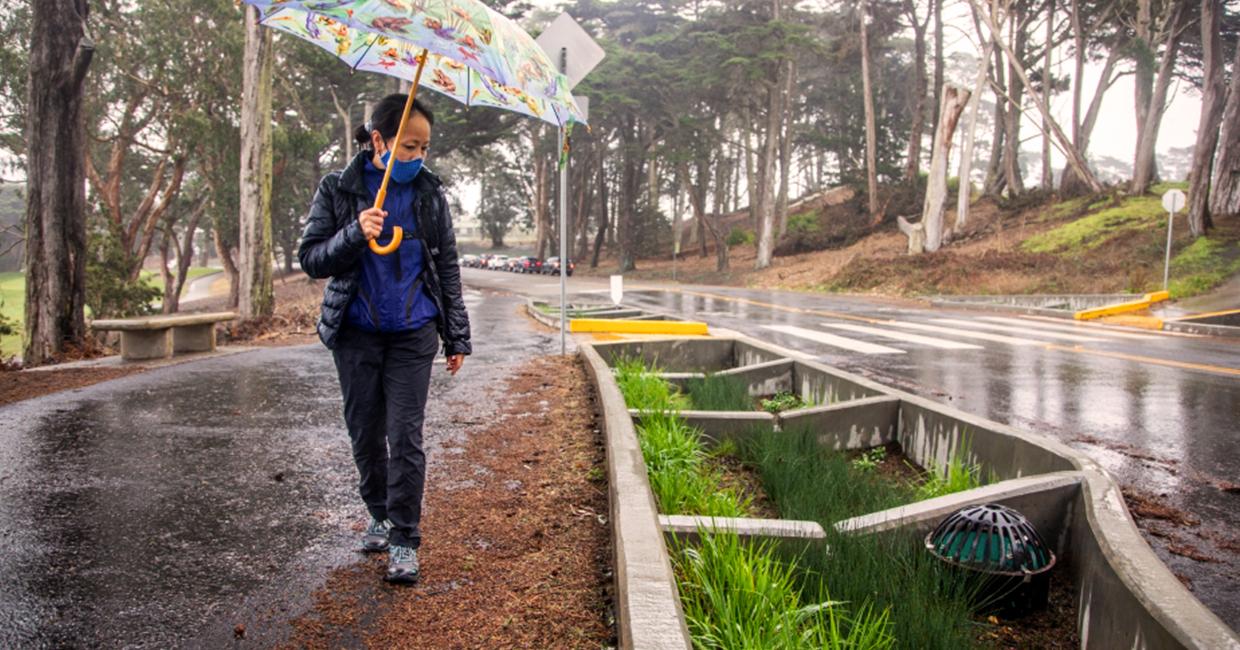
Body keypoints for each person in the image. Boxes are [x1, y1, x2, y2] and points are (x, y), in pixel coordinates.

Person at [298, 93, 471, 584]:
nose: (419, 157)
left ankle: (405, 540)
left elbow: (448, 268)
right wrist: (355, 231)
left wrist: (455, 334)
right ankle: (378, 512)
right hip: (356, 333)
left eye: (424, 147)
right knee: (366, 434)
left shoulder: (429, 194)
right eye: (409, 146)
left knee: (406, 436)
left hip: (413, 332)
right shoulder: (339, 188)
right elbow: (312, 259)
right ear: (379, 140)